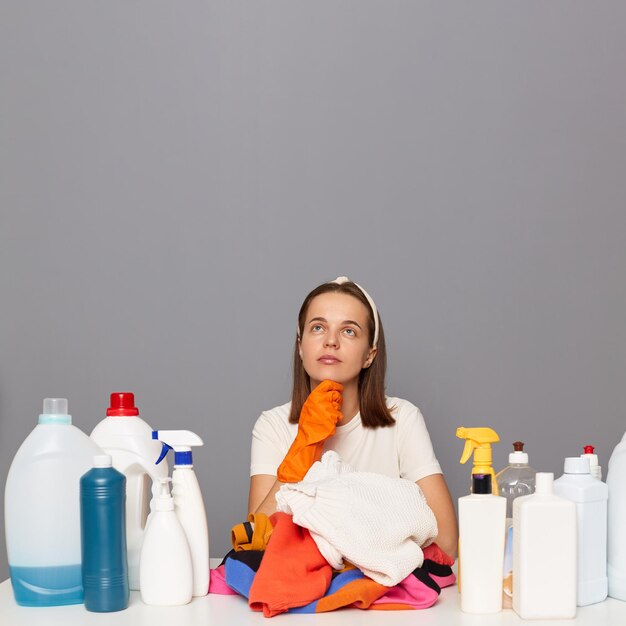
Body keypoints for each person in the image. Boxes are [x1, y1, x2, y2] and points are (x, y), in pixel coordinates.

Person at [247, 276, 458, 558]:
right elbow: (256, 542)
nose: (331, 341)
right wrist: (303, 447)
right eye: (318, 327)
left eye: (348, 331)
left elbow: (446, 542)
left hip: (385, 593)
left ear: (369, 355)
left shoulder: (402, 419)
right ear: (300, 346)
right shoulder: (273, 426)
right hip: (307, 598)